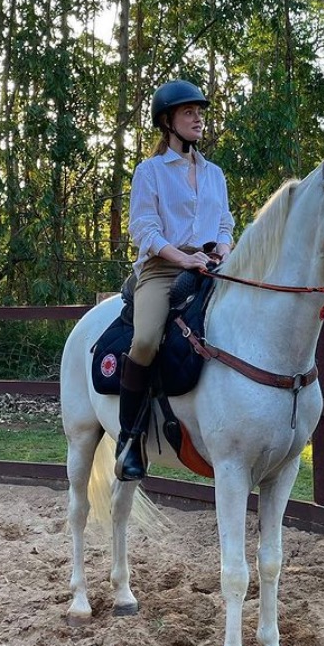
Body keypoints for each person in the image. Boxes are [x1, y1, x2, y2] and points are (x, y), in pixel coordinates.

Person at [115, 79, 234, 481]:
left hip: (211, 265)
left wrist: (223, 249)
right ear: (167, 121)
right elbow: (144, 229)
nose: (198, 118)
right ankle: (129, 440)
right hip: (163, 268)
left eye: (199, 112)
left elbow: (225, 222)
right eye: (188, 112)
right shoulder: (149, 172)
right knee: (146, 340)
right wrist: (183, 258)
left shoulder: (215, 173)